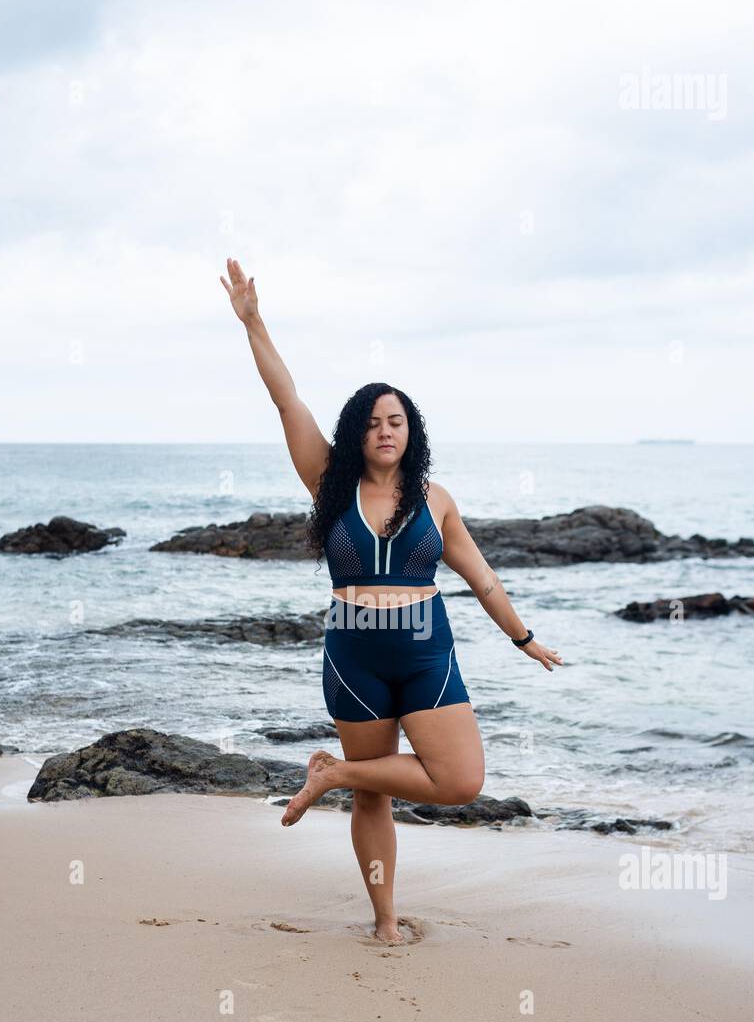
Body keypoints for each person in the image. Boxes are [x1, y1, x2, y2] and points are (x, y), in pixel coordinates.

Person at [220, 258, 563, 944]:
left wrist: (522, 638)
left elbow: (482, 578)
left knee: (461, 781)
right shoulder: (327, 482)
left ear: (412, 433)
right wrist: (254, 321)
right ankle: (383, 922)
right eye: (373, 421)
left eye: (396, 421)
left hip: (424, 649)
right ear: (357, 432)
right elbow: (287, 400)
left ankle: (330, 774)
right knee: (373, 794)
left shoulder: (437, 502)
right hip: (354, 653)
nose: (385, 430)